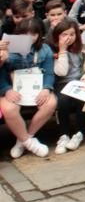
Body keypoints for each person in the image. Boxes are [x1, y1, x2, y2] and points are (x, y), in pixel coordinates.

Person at [0, 17, 57, 157]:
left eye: (33, 34)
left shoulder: (45, 50)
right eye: (25, 34)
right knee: (9, 109)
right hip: (11, 89)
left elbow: (49, 73)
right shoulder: (7, 48)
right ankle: (30, 143)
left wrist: (46, 89)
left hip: (35, 89)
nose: (29, 37)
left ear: (39, 34)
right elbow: (1, 73)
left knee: (50, 103)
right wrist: (6, 90)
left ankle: (23, 140)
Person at [50, 19, 85, 154]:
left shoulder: (82, 49)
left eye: (72, 34)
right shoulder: (53, 51)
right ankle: (64, 134)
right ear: (57, 36)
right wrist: (62, 51)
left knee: (80, 99)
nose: (68, 38)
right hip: (62, 83)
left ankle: (79, 133)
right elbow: (61, 72)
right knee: (63, 100)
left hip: (80, 81)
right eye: (64, 35)